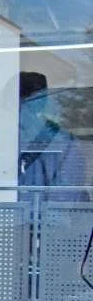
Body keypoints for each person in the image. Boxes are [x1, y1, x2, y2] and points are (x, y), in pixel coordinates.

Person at [17, 71, 90, 204]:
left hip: (22, 212)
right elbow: (66, 193)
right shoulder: (63, 140)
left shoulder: (60, 140)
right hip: (42, 212)